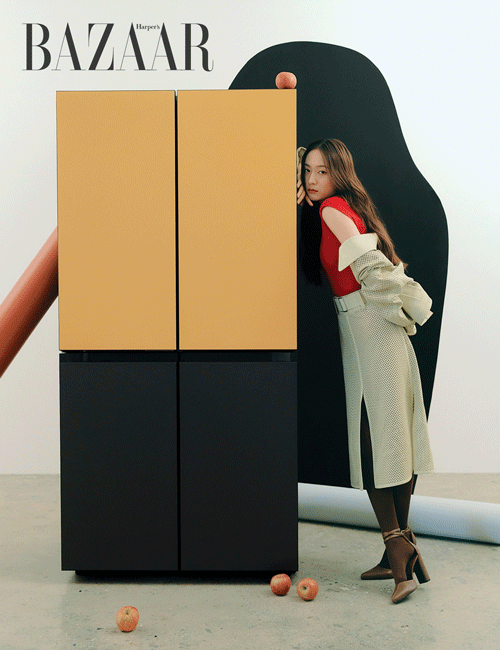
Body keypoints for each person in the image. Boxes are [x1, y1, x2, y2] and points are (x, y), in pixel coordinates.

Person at [297, 138, 434, 604]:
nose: (313, 180)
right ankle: (401, 545)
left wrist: (396, 303)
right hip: (366, 327)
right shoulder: (346, 206)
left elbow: (373, 267)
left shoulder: (331, 209)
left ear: (338, 173)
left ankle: (398, 554)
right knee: (392, 432)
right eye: (308, 171)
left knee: (376, 435)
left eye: (322, 171)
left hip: (368, 326)